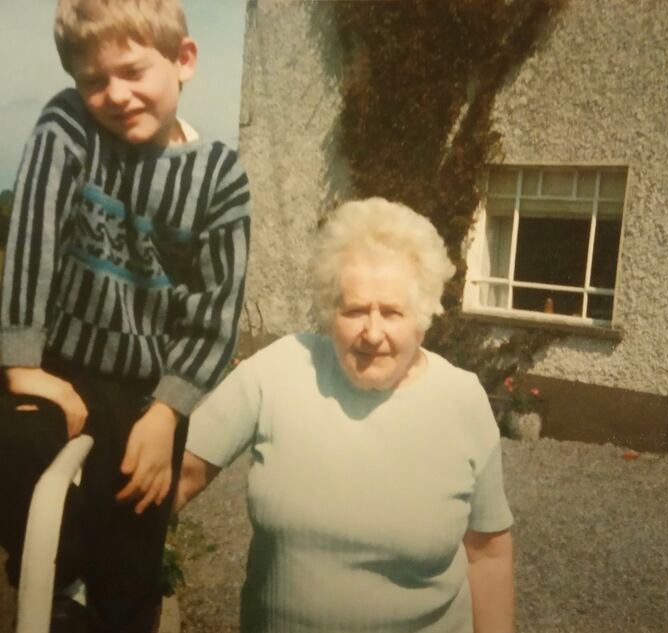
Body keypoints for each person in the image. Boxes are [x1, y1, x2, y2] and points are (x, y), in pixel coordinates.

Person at [0, 0, 250, 631]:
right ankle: (57, 586)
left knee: (132, 565)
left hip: (146, 394)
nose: (115, 94)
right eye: (94, 80)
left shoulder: (220, 177)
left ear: (183, 61)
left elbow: (215, 314)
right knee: (26, 478)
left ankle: (107, 598)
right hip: (55, 363)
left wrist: (169, 411)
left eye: (134, 72)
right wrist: (22, 366)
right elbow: (32, 236)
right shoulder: (69, 127)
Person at [175, 198, 514, 633]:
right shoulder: (279, 370)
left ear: (422, 317)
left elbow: (488, 555)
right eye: (355, 310)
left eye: (392, 312)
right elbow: (176, 474)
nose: (372, 333)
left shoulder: (461, 399)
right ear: (329, 312)